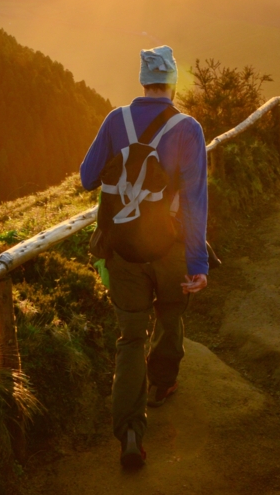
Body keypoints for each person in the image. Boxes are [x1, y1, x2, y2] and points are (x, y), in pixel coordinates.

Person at [79, 45, 209, 470]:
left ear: (142, 80)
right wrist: (197, 263)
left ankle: (131, 431)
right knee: (171, 316)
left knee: (130, 338)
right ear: (172, 82)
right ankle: (163, 383)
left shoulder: (116, 120)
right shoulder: (187, 128)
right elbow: (194, 201)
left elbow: (86, 177)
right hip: (169, 248)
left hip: (124, 252)